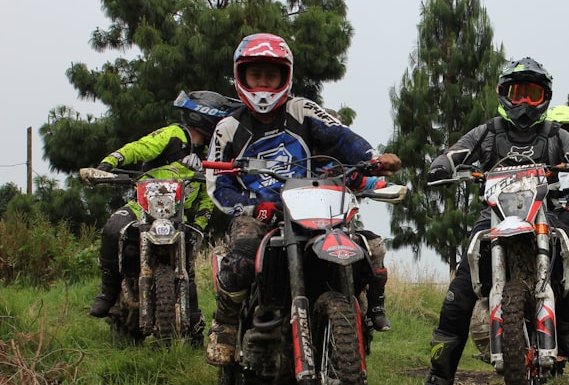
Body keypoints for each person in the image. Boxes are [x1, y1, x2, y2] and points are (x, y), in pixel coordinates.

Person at [417, 59, 569, 385]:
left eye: (533, 95)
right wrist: (442, 164)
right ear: (504, 94)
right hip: (493, 216)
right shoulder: (486, 132)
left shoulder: (555, 134)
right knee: (458, 297)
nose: (524, 103)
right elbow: (455, 153)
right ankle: (437, 380)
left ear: (544, 98)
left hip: (544, 214)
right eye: (518, 93)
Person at [204, 32, 402, 367]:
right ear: (242, 76)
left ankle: (361, 314)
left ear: (286, 75)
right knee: (240, 259)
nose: (264, 83)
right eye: (256, 74)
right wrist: (253, 207)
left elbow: (341, 136)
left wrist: (374, 155)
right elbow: (218, 185)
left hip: (310, 207)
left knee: (362, 248)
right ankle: (224, 323)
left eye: (271, 74)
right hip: (258, 214)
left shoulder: (302, 110)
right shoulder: (228, 127)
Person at [88, 90, 237, 343]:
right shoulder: (173, 135)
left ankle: (193, 324)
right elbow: (141, 147)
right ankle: (108, 291)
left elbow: (207, 198)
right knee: (113, 227)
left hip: (178, 217)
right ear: (208, 119)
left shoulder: (211, 156)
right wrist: (110, 163)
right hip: (141, 208)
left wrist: (197, 226)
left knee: (187, 264)